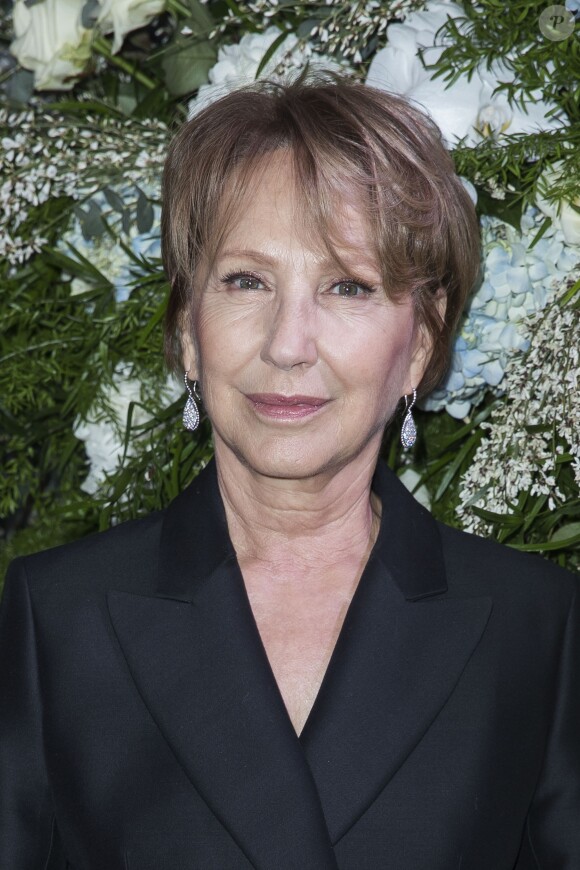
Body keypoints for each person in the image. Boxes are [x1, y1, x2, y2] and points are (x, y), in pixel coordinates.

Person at [0, 74, 578, 870]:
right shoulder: (58, 619)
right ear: (189, 329)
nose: (287, 344)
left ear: (420, 343)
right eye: (247, 281)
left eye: (347, 286)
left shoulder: (537, 627)